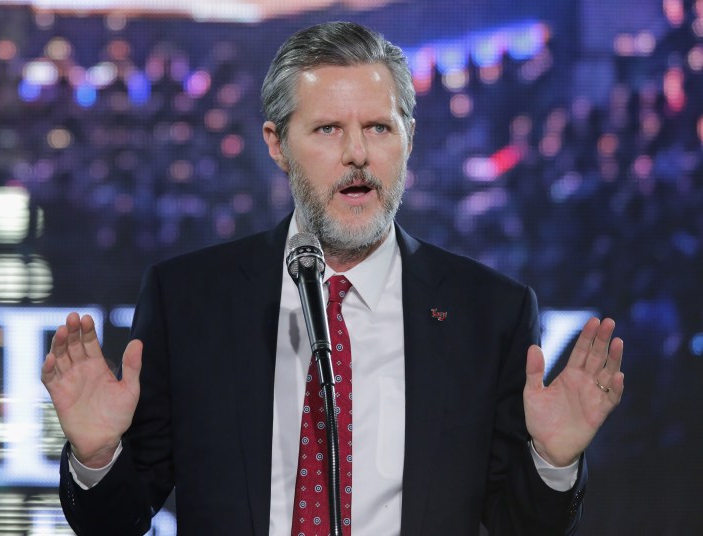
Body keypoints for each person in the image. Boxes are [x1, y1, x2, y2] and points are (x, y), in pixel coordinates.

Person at [41, 21, 624, 535]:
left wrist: (551, 461)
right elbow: (117, 522)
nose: (357, 155)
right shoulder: (191, 300)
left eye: (378, 128)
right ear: (278, 145)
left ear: (408, 140)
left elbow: (519, 526)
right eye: (326, 130)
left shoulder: (489, 312)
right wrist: (96, 455)